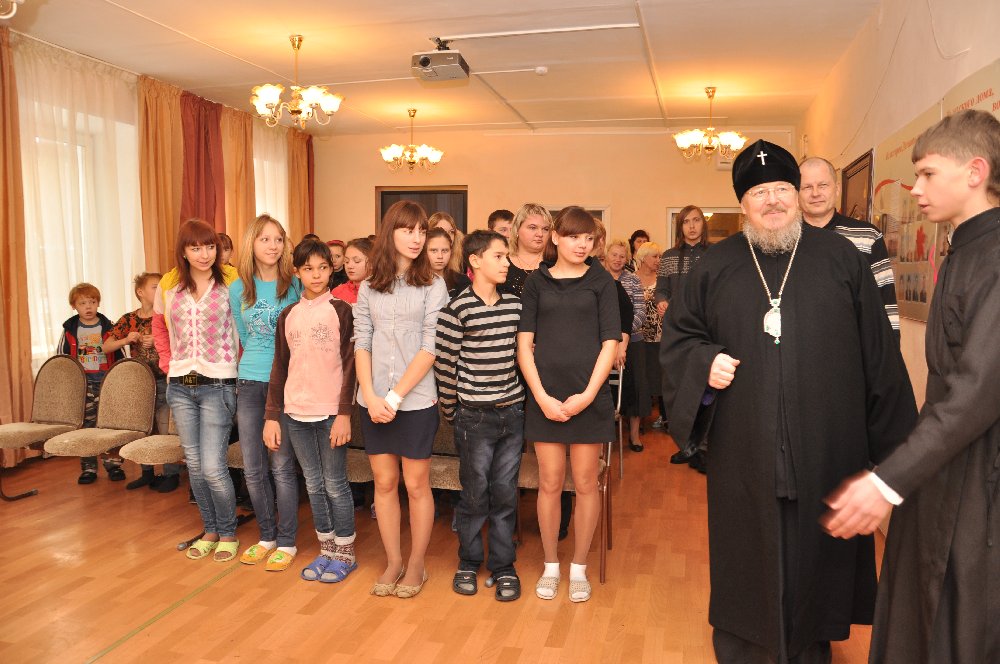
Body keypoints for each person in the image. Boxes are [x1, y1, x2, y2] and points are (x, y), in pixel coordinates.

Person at [660, 139, 917, 663]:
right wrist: (704, 361)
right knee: (746, 544)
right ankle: (743, 644)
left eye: (782, 189)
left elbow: (878, 353)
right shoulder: (716, 265)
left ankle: (808, 643)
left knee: (815, 547)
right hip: (744, 439)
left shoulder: (841, 259)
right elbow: (679, 339)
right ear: (743, 203)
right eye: (759, 193)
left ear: (797, 196)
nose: (773, 200)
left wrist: (896, 458)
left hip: (825, 438)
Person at [821, 109, 1000, 664]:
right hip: (944, 468)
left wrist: (886, 480)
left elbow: (977, 390)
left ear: (975, 172)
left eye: (927, 174)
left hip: (980, 480)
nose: (915, 189)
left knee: (959, 625)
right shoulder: (965, 247)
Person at [518, 206, 620, 603]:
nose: (582, 244)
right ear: (556, 238)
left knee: (586, 482)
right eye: (574, 236)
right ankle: (550, 565)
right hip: (545, 397)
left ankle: (578, 566)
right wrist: (541, 397)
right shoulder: (536, 282)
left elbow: (610, 344)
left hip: (588, 396)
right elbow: (524, 345)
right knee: (549, 481)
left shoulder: (600, 280)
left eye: (588, 238)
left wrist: (588, 396)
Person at [354, 200, 449, 599]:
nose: (416, 238)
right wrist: (370, 395)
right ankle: (393, 560)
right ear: (390, 232)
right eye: (408, 230)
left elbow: (431, 347)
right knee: (384, 481)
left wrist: (394, 396)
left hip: (416, 400)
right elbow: (362, 342)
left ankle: (416, 564)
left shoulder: (433, 285)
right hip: (373, 400)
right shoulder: (368, 285)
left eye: (421, 231)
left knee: (416, 484)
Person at [435, 229, 525, 601]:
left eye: (507, 256)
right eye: (499, 256)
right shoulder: (456, 310)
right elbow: (445, 366)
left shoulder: (515, 305)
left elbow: (523, 355)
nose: (507, 263)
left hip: (512, 413)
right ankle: (469, 562)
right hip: (473, 417)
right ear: (475, 260)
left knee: (505, 495)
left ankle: (503, 566)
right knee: (474, 495)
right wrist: (452, 411)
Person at [264, 239, 359, 584]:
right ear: (296, 272)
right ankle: (326, 549)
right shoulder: (288, 315)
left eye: (322, 267)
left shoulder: (342, 310)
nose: (316, 275)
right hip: (295, 413)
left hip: (332, 412)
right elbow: (279, 367)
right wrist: (271, 416)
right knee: (314, 484)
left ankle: (345, 552)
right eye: (308, 269)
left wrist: (345, 414)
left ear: (331, 269)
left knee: (335, 484)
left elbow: (351, 366)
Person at [153, 219, 242, 562]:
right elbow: (159, 328)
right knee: (193, 464)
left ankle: (228, 532)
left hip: (218, 383)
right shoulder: (170, 286)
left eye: (209, 247)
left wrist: (239, 369)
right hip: (181, 385)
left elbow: (244, 330)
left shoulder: (232, 283)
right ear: (184, 251)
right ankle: (210, 529)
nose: (204, 254)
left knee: (213, 467)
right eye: (195, 248)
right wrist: (167, 363)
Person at [229, 215, 302, 570]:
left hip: (285, 383)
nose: (273, 246)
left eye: (278, 239)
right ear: (252, 244)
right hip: (249, 381)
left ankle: (287, 542)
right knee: (253, 468)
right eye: (265, 239)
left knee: (283, 466)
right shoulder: (238, 288)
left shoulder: (295, 285)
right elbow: (244, 336)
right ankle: (266, 536)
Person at [799, 157, 899, 337]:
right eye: (807, 187)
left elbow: (886, 301)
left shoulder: (868, 236)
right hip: (799, 343)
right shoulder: (786, 239)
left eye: (823, 185)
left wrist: (892, 348)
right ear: (796, 193)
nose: (815, 193)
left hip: (854, 344)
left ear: (837, 189)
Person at [108, 271, 182, 492]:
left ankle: (171, 473)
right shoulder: (128, 319)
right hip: (140, 384)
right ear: (140, 292)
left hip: (164, 380)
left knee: (166, 427)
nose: (160, 290)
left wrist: (159, 341)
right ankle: (147, 472)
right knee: (144, 429)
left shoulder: (167, 315)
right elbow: (106, 346)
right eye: (154, 287)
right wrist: (126, 339)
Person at [655, 205, 710, 469]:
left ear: (703, 224)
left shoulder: (714, 254)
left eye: (696, 220)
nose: (692, 226)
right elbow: (661, 290)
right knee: (677, 388)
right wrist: (661, 301)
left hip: (705, 331)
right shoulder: (668, 256)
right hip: (676, 332)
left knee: (704, 389)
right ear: (680, 227)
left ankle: (704, 447)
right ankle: (685, 445)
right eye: (686, 221)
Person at [58, 282, 125, 484]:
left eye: (92, 302)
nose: (88, 307)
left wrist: (119, 378)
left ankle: (113, 464)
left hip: (106, 382)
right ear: (74, 306)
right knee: (87, 425)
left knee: (110, 424)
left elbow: (120, 354)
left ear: (98, 303)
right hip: (84, 383)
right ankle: (88, 467)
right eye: (82, 303)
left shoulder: (109, 326)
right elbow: (62, 357)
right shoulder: (70, 329)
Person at [604, 239, 649, 451]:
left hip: (633, 342)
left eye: (622, 256)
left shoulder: (633, 280)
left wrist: (622, 336)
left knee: (636, 388)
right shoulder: (598, 278)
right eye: (614, 254)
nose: (618, 259)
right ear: (606, 255)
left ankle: (634, 436)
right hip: (603, 343)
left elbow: (640, 312)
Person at [634, 242, 667, 435]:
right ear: (643, 258)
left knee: (661, 378)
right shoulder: (632, 278)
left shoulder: (662, 280)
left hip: (660, 337)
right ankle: (640, 419)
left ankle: (664, 416)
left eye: (660, 256)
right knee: (642, 379)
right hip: (638, 338)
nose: (658, 260)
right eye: (655, 256)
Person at [500, 203, 552, 297]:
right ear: (517, 229)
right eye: (533, 228)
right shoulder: (501, 264)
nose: (540, 234)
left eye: (545, 229)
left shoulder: (556, 263)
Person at [426, 227, 472, 297]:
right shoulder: (414, 281)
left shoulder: (462, 281)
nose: (440, 256)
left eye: (445, 251)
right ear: (424, 252)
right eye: (434, 250)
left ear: (451, 252)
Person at [331, 237, 373, 305]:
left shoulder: (380, 293)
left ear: (372, 263)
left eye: (357, 261)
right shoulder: (337, 292)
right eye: (346, 261)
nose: (349, 266)